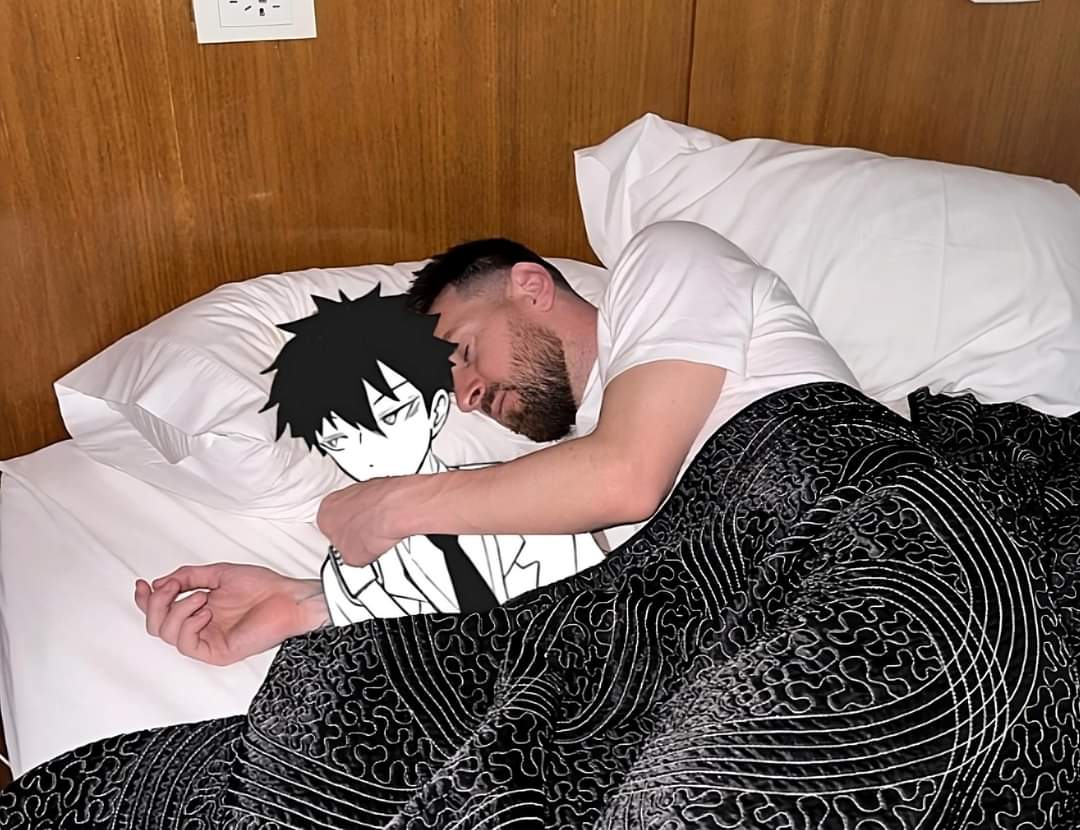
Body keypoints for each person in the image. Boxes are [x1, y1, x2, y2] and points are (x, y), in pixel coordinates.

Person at [136, 220, 857, 663]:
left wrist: (392, 505)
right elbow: (528, 598)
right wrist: (308, 602)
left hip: (858, 540)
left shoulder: (666, 259)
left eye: (463, 350)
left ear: (531, 287)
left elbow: (626, 477)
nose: (467, 393)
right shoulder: (564, 473)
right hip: (757, 630)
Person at [134, 287, 603, 662]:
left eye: (394, 416)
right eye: (343, 439)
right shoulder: (355, 571)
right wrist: (302, 607)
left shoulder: (518, 493)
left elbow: (582, 608)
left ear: (436, 410)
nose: (375, 452)